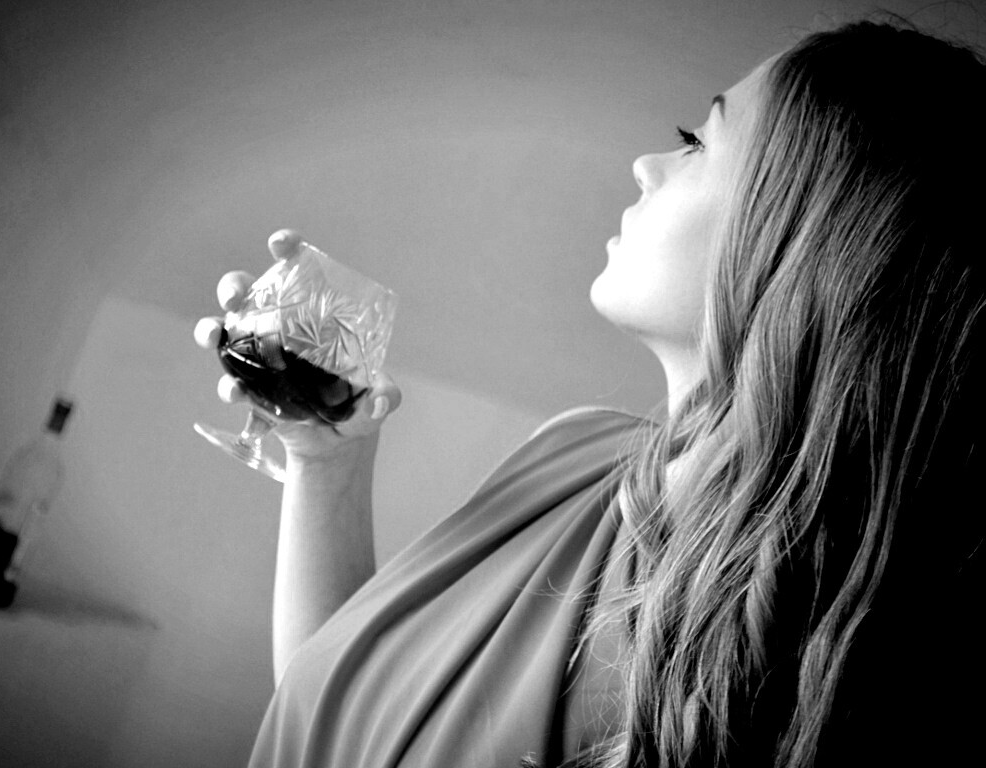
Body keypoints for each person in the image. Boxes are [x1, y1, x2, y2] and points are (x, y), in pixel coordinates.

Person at [194, 14, 985, 768]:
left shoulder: (802, 660)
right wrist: (325, 459)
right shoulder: (572, 448)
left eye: (696, 143)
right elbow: (336, 713)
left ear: (816, 242)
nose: (646, 164)